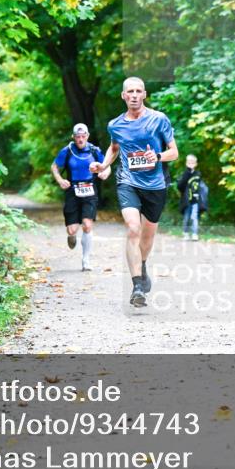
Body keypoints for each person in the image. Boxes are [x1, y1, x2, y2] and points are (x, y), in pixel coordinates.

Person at [90, 77, 178, 307]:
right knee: (132, 228)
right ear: (124, 96)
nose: (135, 95)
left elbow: (174, 152)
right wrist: (104, 164)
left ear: (145, 94)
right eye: (130, 91)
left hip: (156, 184)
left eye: (139, 91)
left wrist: (157, 156)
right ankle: (137, 284)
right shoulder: (115, 124)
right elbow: (114, 147)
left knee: (147, 238)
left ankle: (143, 263)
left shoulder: (159, 119)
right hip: (127, 180)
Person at [52, 123, 110, 271]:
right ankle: (71, 237)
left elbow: (107, 164)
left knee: (87, 225)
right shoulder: (67, 151)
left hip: (90, 190)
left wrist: (105, 173)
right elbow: (55, 166)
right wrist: (60, 180)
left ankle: (86, 260)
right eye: (78, 136)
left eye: (83, 136)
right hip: (72, 190)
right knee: (72, 230)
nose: (80, 139)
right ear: (73, 137)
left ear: (87, 136)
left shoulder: (94, 150)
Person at [176, 154, 208, 241]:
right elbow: (180, 186)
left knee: (194, 217)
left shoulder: (198, 174)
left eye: (192, 162)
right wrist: (187, 173)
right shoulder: (184, 174)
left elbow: (201, 187)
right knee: (186, 217)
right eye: (189, 162)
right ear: (186, 163)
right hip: (187, 201)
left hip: (196, 200)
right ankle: (186, 233)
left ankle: (194, 234)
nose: (191, 164)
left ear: (196, 163)